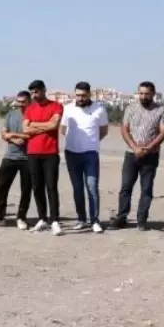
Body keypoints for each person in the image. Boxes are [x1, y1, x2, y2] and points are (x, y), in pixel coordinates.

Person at [115, 81, 164, 230]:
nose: (143, 96)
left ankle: (142, 220)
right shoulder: (130, 108)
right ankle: (121, 217)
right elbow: (125, 129)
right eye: (141, 93)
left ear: (153, 94)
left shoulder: (161, 110)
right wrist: (135, 148)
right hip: (131, 154)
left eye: (147, 93)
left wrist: (148, 148)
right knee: (125, 188)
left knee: (146, 189)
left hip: (150, 156)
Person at [61, 81, 109, 233]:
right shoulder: (67, 108)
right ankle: (81, 219)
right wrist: (75, 141)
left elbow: (104, 130)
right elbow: (63, 129)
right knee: (77, 188)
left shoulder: (99, 109)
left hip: (90, 154)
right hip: (71, 153)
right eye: (78, 95)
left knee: (92, 187)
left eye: (83, 95)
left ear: (90, 94)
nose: (80, 98)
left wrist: (91, 142)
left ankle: (94, 220)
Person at [23, 79, 64, 235]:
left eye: (37, 91)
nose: (34, 95)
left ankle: (54, 220)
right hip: (33, 152)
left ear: (44, 90)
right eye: (32, 92)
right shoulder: (30, 108)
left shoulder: (56, 106)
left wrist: (35, 125)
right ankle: (42, 219)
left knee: (51, 187)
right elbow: (25, 129)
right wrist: (44, 125)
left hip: (50, 153)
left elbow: (54, 126)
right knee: (37, 187)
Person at [0, 90, 32, 228]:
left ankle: (21, 217)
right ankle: (0, 217)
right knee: (2, 188)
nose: (20, 104)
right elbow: (4, 134)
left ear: (29, 101)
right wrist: (14, 138)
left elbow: (33, 134)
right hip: (10, 157)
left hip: (27, 158)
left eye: (23, 101)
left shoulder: (33, 115)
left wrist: (11, 135)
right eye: (18, 101)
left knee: (26, 189)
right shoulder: (10, 114)